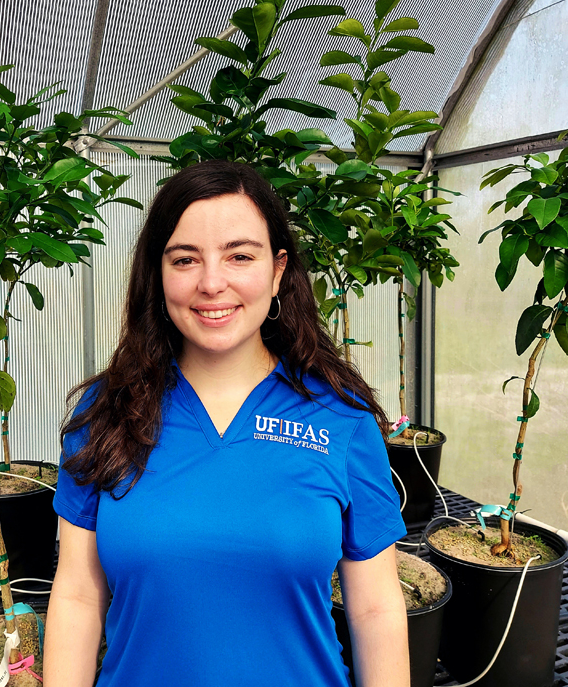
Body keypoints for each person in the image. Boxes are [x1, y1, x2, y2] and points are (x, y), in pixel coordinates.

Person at [43, 160, 409, 687]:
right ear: (158, 273)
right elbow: (78, 595)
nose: (212, 283)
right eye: (185, 259)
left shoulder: (342, 418)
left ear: (278, 271)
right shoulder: (107, 413)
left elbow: (375, 608)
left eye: (239, 256)